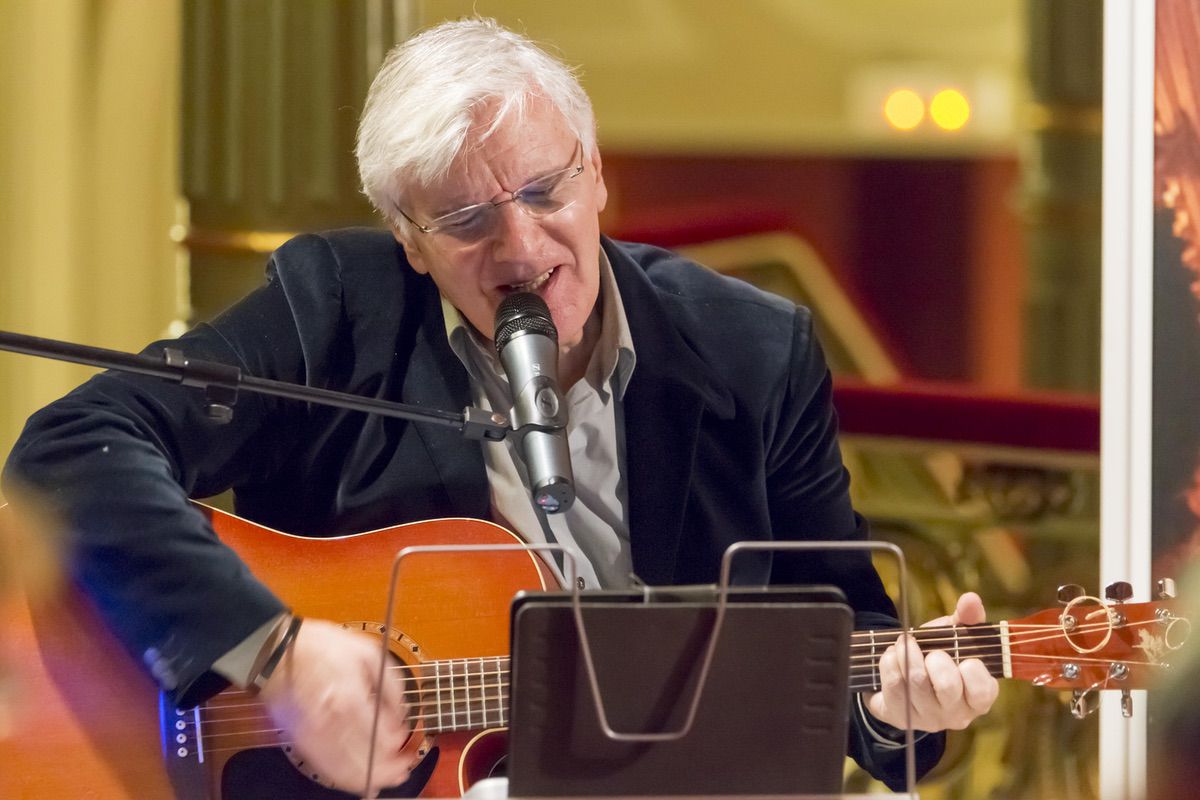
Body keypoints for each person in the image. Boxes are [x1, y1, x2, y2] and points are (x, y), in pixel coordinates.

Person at [2, 17, 997, 796]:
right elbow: (73, 445)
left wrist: (905, 710)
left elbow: (846, 636)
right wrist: (275, 653)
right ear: (409, 238)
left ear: (597, 172)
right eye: (468, 220)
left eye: (544, 191)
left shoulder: (754, 350)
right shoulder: (337, 306)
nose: (521, 249)